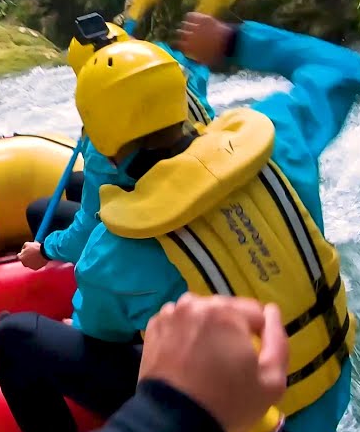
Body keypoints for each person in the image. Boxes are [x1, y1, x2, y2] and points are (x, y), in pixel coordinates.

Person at [0, 13, 360, 432]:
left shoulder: (112, 251)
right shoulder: (280, 137)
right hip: (331, 388)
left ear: (102, 147)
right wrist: (234, 41)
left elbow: (98, 335)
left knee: (13, 336)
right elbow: (345, 69)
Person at [0, 294, 292, 432]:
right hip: (294, 422)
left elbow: (100, 329)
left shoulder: (113, 248)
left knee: (13, 335)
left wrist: (161, 415)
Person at [18, 14, 215, 270]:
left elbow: (89, 228)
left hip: (149, 226)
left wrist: (45, 250)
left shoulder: (104, 146)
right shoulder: (177, 80)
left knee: (39, 210)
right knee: (76, 182)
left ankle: (71, 272)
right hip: (184, 189)